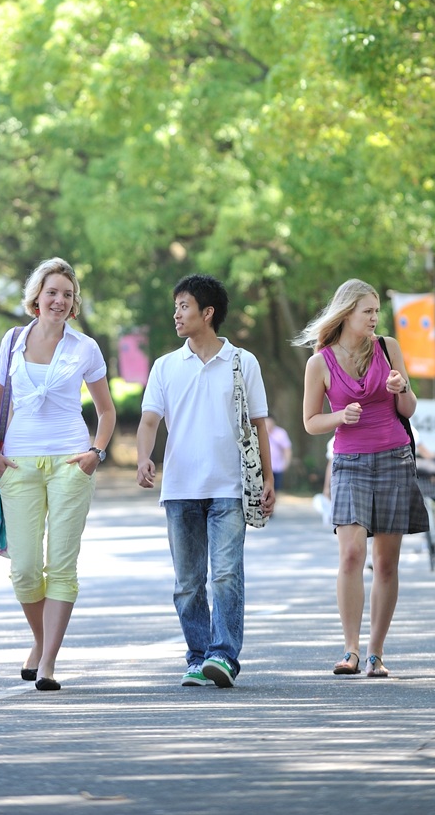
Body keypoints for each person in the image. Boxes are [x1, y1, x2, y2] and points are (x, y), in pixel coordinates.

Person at [0, 256, 115, 692]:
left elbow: (106, 410)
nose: (59, 300)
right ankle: (40, 642)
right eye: (52, 292)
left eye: (67, 295)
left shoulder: (85, 348)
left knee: (61, 564)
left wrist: (96, 451)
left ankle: (48, 663)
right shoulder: (12, 340)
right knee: (24, 568)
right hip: (18, 463)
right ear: (36, 297)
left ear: (74, 304)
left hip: (70, 463)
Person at [136, 273, 275, 689]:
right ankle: (197, 656)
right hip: (179, 489)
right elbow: (148, 419)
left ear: (207, 313)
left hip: (229, 487)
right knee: (188, 583)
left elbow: (258, 424)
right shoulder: (165, 366)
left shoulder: (242, 361)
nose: (176, 314)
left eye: (184, 306)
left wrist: (268, 478)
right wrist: (144, 457)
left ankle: (223, 655)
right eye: (176, 306)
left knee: (227, 574)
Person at [299, 278, 425, 679]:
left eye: (376, 311)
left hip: (393, 458)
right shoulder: (319, 362)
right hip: (350, 462)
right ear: (347, 312)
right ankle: (350, 650)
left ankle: (375, 653)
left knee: (386, 563)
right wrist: (340, 416)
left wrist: (401, 386)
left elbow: (409, 408)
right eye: (367, 311)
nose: (374, 318)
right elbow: (310, 422)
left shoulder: (389, 348)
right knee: (351, 554)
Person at [266, 416, 293, 497]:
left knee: (276, 487)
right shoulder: (260, 432)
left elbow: (287, 449)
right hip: (264, 466)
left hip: (277, 466)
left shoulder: (281, 433)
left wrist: (286, 463)